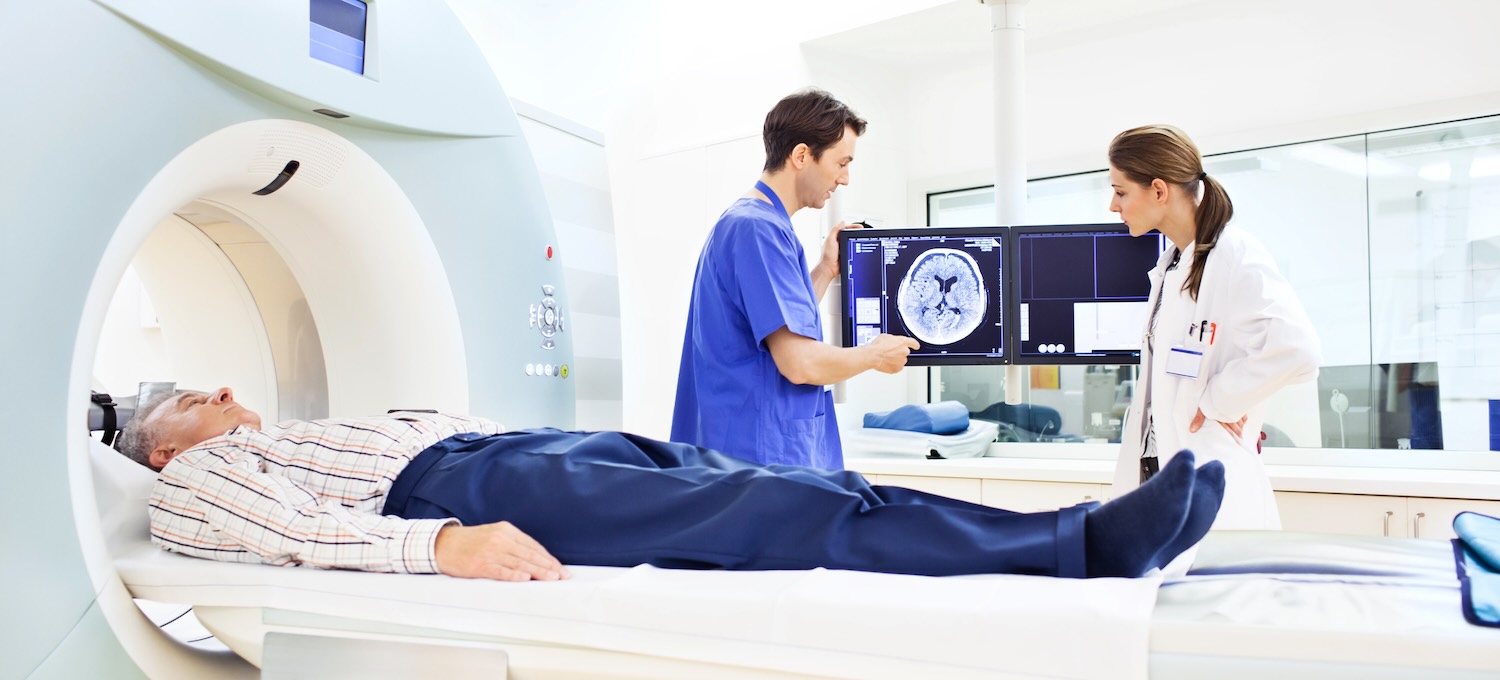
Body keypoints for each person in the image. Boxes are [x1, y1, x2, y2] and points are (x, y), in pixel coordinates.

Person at [120, 386, 1228, 582]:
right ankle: (1081, 547)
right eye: (183, 397)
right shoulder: (198, 480)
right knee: (778, 514)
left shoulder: (284, 427)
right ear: (161, 447)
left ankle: (1073, 527)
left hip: (515, 442)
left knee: (789, 480)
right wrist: (439, 546)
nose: (216, 392)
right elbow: (296, 535)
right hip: (460, 487)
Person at [672, 89, 920, 469]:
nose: (845, 178)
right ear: (802, 155)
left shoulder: (760, 224)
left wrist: (825, 269)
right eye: (841, 162)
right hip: (757, 460)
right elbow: (798, 362)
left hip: (759, 454)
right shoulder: (757, 230)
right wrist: (874, 354)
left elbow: (775, 322)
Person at [1107, 125, 1322, 530]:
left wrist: (1218, 401)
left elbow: (1299, 350)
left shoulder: (1234, 253)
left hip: (1210, 477)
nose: (1113, 205)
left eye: (1120, 191)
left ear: (1158, 190)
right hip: (1159, 475)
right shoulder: (1173, 264)